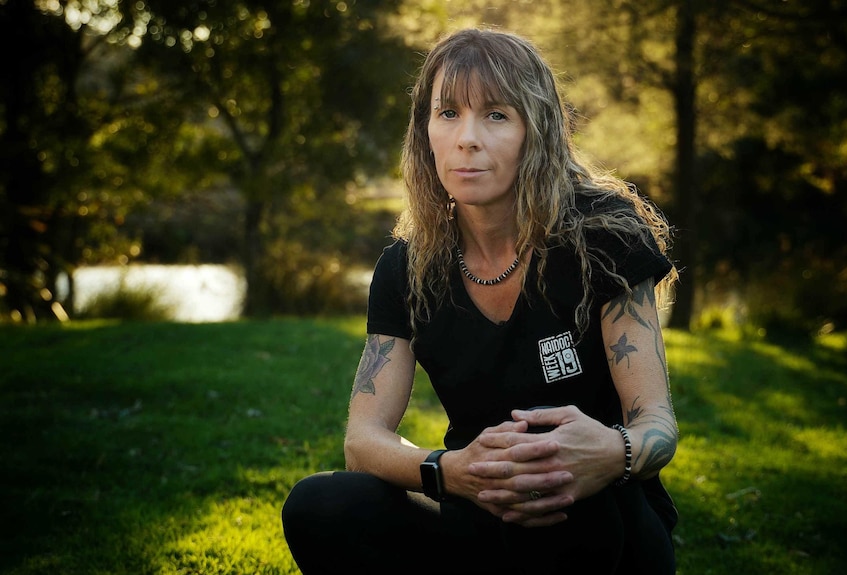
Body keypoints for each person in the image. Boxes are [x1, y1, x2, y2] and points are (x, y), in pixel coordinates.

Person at [282, 27, 680, 575]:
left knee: (553, 484)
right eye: (448, 114)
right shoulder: (406, 268)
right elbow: (363, 440)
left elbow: (656, 423)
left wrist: (611, 453)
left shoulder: (605, 240)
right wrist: (451, 471)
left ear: (534, 132)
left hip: (603, 518)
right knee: (319, 505)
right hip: (476, 510)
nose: (467, 137)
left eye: (495, 115)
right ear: (425, 132)